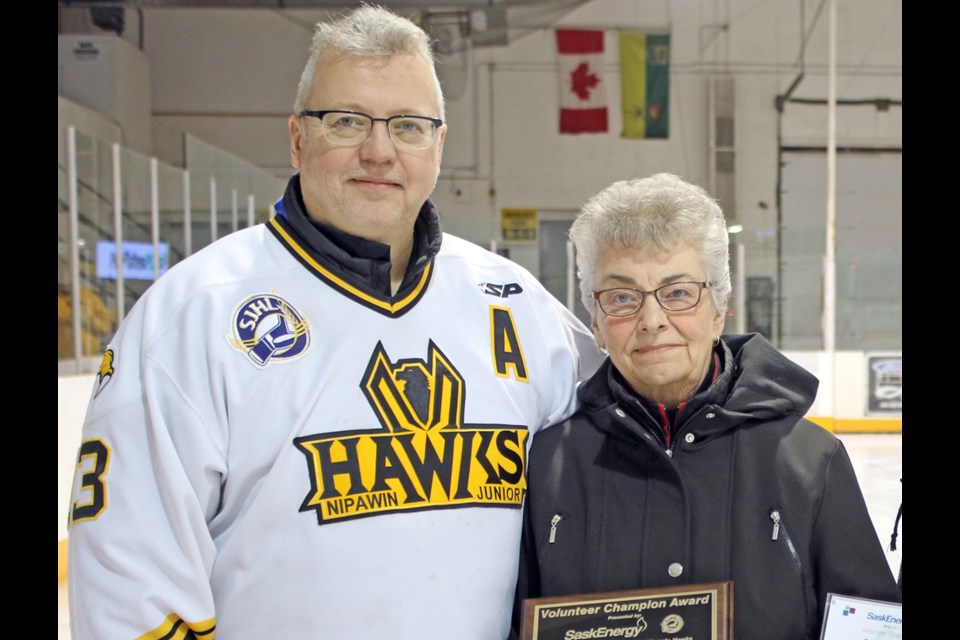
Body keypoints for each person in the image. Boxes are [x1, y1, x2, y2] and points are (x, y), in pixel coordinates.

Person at [67, 6, 600, 639]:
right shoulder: (194, 314)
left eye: (407, 126)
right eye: (346, 121)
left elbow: (632, 425)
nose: (379, 151)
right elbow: (129, 582)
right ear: (297, 138)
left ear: (438, 145)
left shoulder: (514, 302)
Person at [513, 173, 901, 639]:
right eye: (622, 297)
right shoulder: (547, 465)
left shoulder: (809, 461)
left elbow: (867, 623)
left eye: (678, 293)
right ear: (595, 322)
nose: (652, 321)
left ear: (719, 308)